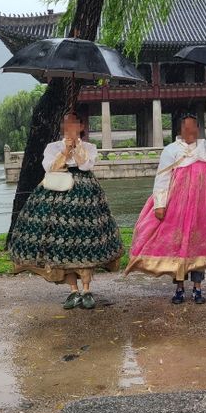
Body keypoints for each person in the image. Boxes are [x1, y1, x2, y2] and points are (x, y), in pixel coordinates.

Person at [8, 111, 123, 310]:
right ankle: (72, 290)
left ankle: (86, 289)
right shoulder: (53, 147)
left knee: (86, 239)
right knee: (63, 244)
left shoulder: (89, 147)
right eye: (66, 124)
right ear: (62, 127)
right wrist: (65, 151)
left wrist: (76, 148)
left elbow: (86, 165)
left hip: (85, 197)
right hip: (57, 193)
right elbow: (49, 167)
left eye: (74, 123)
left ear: (81, 126)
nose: (70, 127)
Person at [125, 99, 206, 304]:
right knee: (178, 246)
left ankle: (198, 288)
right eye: (186, 127)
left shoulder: (205, 147)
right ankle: (180, 288)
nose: (191, 131)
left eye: (194, 127)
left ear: (199, 129)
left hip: (202, 208)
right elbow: (162, 178)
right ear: (181, 129)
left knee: (197, 247)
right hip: (177, 208)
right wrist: (160, 204)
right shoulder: (171, 150)